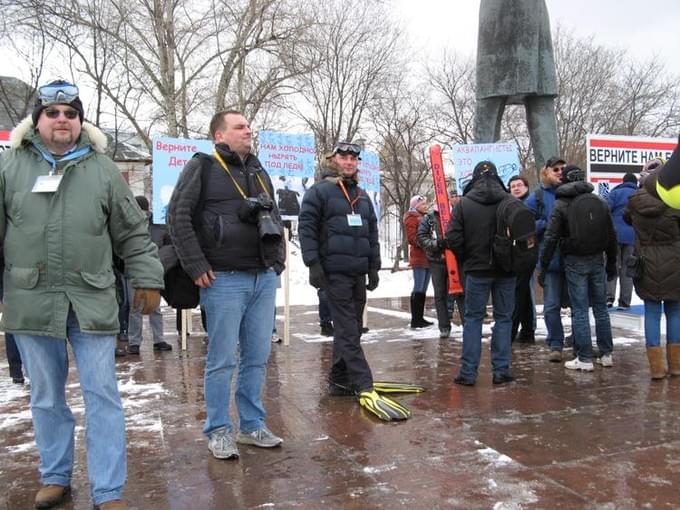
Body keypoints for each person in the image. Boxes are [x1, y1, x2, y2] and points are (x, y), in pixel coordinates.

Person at [0, 79, 163, 510]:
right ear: (37, 119)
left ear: (80, 121)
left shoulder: (103, 168)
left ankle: (108, 491)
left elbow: (131, 231)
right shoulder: (10, 167)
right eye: (52, 113)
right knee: (46, 395)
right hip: (31, 298)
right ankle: (55, 476)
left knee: (103, 395)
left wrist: (147, 276)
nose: (62, 120)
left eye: (70, 113)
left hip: (91, 299)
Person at [167, 110, 285, 460]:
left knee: (258, 357)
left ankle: (252, 426)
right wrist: (195, 263)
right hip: (223, 279)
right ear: (220, 135)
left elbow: (274, 216)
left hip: (262, 277)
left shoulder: (259, 169)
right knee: (221, 360)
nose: (249, 130)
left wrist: (276, 260)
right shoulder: (202, 166)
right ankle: (218, 430)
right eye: (240, 127)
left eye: (249, 125)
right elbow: (178, 216)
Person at [299, 141, 409, 421]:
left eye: (353, 158)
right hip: (333, 271)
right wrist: (313, 264)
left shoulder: (361, 195)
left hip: (357, 272)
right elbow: (307, 228)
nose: (348, 162)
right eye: (343, 157)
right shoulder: (320, 192)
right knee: (348, 328)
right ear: (333, 159)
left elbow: (371, 233)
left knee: (353, 328)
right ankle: (363, 383)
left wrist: (374, 266)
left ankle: (338, 379)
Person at [539, 165, 617, 371]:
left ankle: (584, 358)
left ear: (564, 180)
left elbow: (550, 237)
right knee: (601, 309)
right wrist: (612, 263)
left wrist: (544, 266)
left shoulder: (561, 203)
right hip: (597, 259)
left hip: (574, 261)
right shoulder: (600, 202)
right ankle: (606, 353)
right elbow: (611, 235)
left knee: (580, 310)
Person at [446, 161, 516, 386]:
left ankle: (468, 373)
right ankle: (501, 370)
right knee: (504, 318)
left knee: (473, 319)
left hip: (476, 270)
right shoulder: (510, 201)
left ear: (474, 178)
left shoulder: (463, 204)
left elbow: (453, 239)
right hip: (506, 269)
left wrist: (467, 258)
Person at [475, 0, 559, 168]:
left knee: (541, 102)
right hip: (495, 25)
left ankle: (554, 180)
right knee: (488, 103)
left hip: (532, 20)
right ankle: (480, 178)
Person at [625, 166, 680, 379]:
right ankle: (676, 365)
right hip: (675, 262)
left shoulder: (635, 202)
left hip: (646, 262)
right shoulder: (674, 204)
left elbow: (627, 218)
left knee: (652, 312)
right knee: (675, 311)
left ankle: (656, 368)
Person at [525, 157, 569, 361]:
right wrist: (547, 223)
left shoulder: (574, 192)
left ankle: (579, 341)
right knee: (551, 306)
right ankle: (556, 344)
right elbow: (525, 225)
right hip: (550, 260)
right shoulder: (537, 197)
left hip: (573, 258)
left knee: (578, 305)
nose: (560, 172)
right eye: (556, 169)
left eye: (562, 169)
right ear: (546, 172)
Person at [126, 196, 172, 354]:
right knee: (135, 307)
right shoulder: (129, 225)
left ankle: (157, 339)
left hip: (152, 270)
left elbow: (167, 244)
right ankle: (135, 342)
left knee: (154, 306)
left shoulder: (158, 224)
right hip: (135, 271)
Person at [508, 175, 536, 342]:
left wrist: (525, 230)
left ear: (526, 187)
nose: (516, 188)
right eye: (513, 186)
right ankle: (526, 330)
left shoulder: (531, 203)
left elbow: (543, 221)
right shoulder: (511, 205)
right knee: (523, 293)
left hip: (531, 253)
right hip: (517, 254)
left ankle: (523, 328)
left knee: (524, 294)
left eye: (519, 185)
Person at [416, 206, 451, 338]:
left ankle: (468, 325)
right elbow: (421, 237)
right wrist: (437, 244)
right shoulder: (429, 218)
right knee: (440, 294)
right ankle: (444, 326)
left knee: (460, 293)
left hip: (456, 260)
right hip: (437, 261)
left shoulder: (459, 212)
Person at [606, 173, 638, 310]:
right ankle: (625, 301)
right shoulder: (638, 195)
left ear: (623, 181)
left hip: (614, 235)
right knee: (627, 268)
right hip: (632, 236)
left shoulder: (615, 193)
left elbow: (606, 211)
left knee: (612, 265)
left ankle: (609, 297)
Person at [404, 195, 433, 328]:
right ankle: (415, 319)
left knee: (424, 288)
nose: (425, 206)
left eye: (426, 204)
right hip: (419, 257)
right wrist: (426, 243)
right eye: (422, 204)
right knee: (418, 287)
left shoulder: (426, 217)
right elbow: (411, 238)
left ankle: (420, 318)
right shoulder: (412, 218)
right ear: (416, 205)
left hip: (428, 256)